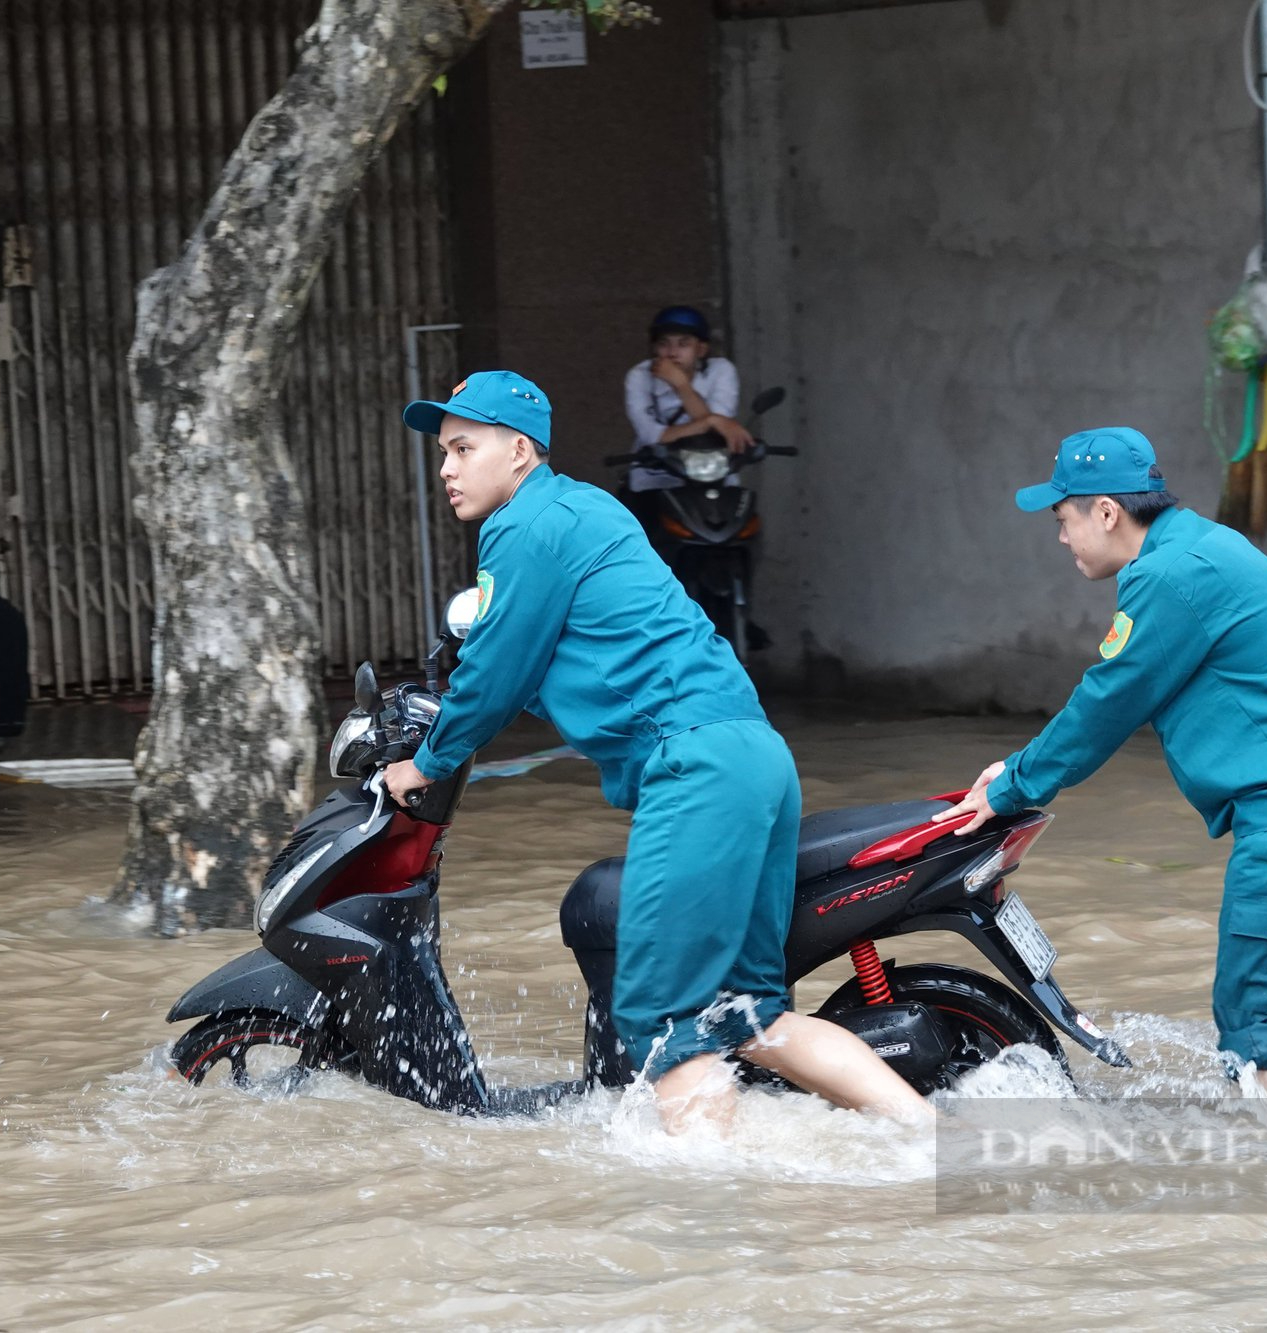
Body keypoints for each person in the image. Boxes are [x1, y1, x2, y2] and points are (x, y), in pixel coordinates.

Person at [383, 371, 931, 1135]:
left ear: (518, 451)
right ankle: (945, 1144)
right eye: (443, 451)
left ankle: (709, 1222)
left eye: (462, 448)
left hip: (696, 767)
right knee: (749, 1019)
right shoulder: (590, 510)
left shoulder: (522, 527)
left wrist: (423, 764)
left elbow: (492, 679)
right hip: (755, 757)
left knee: (664, 1021)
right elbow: (577, 657)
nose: (445, 467)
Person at [934, 426, 1267, 1108]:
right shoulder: (1201, 545)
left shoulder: (1167, 577)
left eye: (1063, 518)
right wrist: (1019, 769)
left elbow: (1107, 703)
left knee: (1262, 1019)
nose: (1061, 537)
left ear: (1106, 512)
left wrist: (1011, 788)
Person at [622, 305, 754, 496]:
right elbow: (653, 437)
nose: (672, 353)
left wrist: (682, 385)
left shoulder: (721, 370)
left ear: (701, 349)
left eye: (683, 344)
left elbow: (716, 433)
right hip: (655, 477)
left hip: (714, 474)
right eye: (663, 344)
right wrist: (711, 419)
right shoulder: (639, 376)